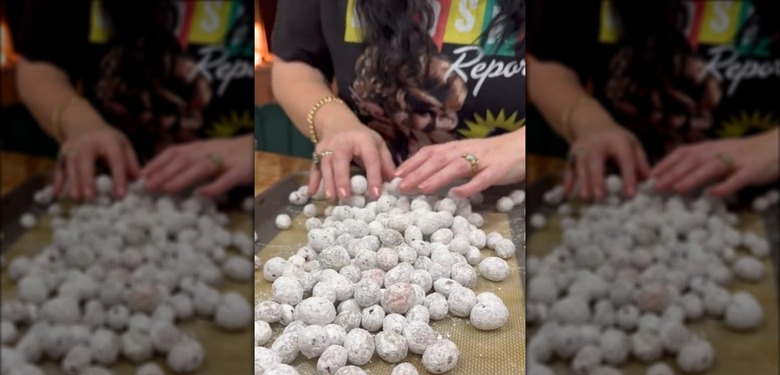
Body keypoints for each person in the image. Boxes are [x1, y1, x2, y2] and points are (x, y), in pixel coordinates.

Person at [271, 0, 525, 201]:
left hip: (520, 192)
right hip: (372, 192)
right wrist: (334, 123)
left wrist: (518, 146)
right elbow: (296, 63)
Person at [527, 0, 779, 201]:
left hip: (762, 194)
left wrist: (769, 147)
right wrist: (591, 123)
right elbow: (547, 64)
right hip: (624, 192)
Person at [9, 0, 255, 201]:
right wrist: (81, 124)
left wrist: (248, 148)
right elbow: (39, 67)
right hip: (115, 192)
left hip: (242, 197)